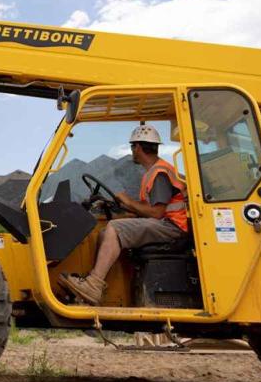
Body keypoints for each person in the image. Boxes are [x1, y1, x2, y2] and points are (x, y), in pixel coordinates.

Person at [58, 124, 188, 306]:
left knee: (114, 229)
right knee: (105, 230)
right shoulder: (152, 172)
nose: (132, 151)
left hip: (172, 227)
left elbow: (157, 213)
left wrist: (128, 202)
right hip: (165, 224)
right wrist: (120, 208)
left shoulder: (159, 173)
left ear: (139, 147)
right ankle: (91, 282)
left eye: (133, 147)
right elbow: (148, 210)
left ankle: (94, 284)